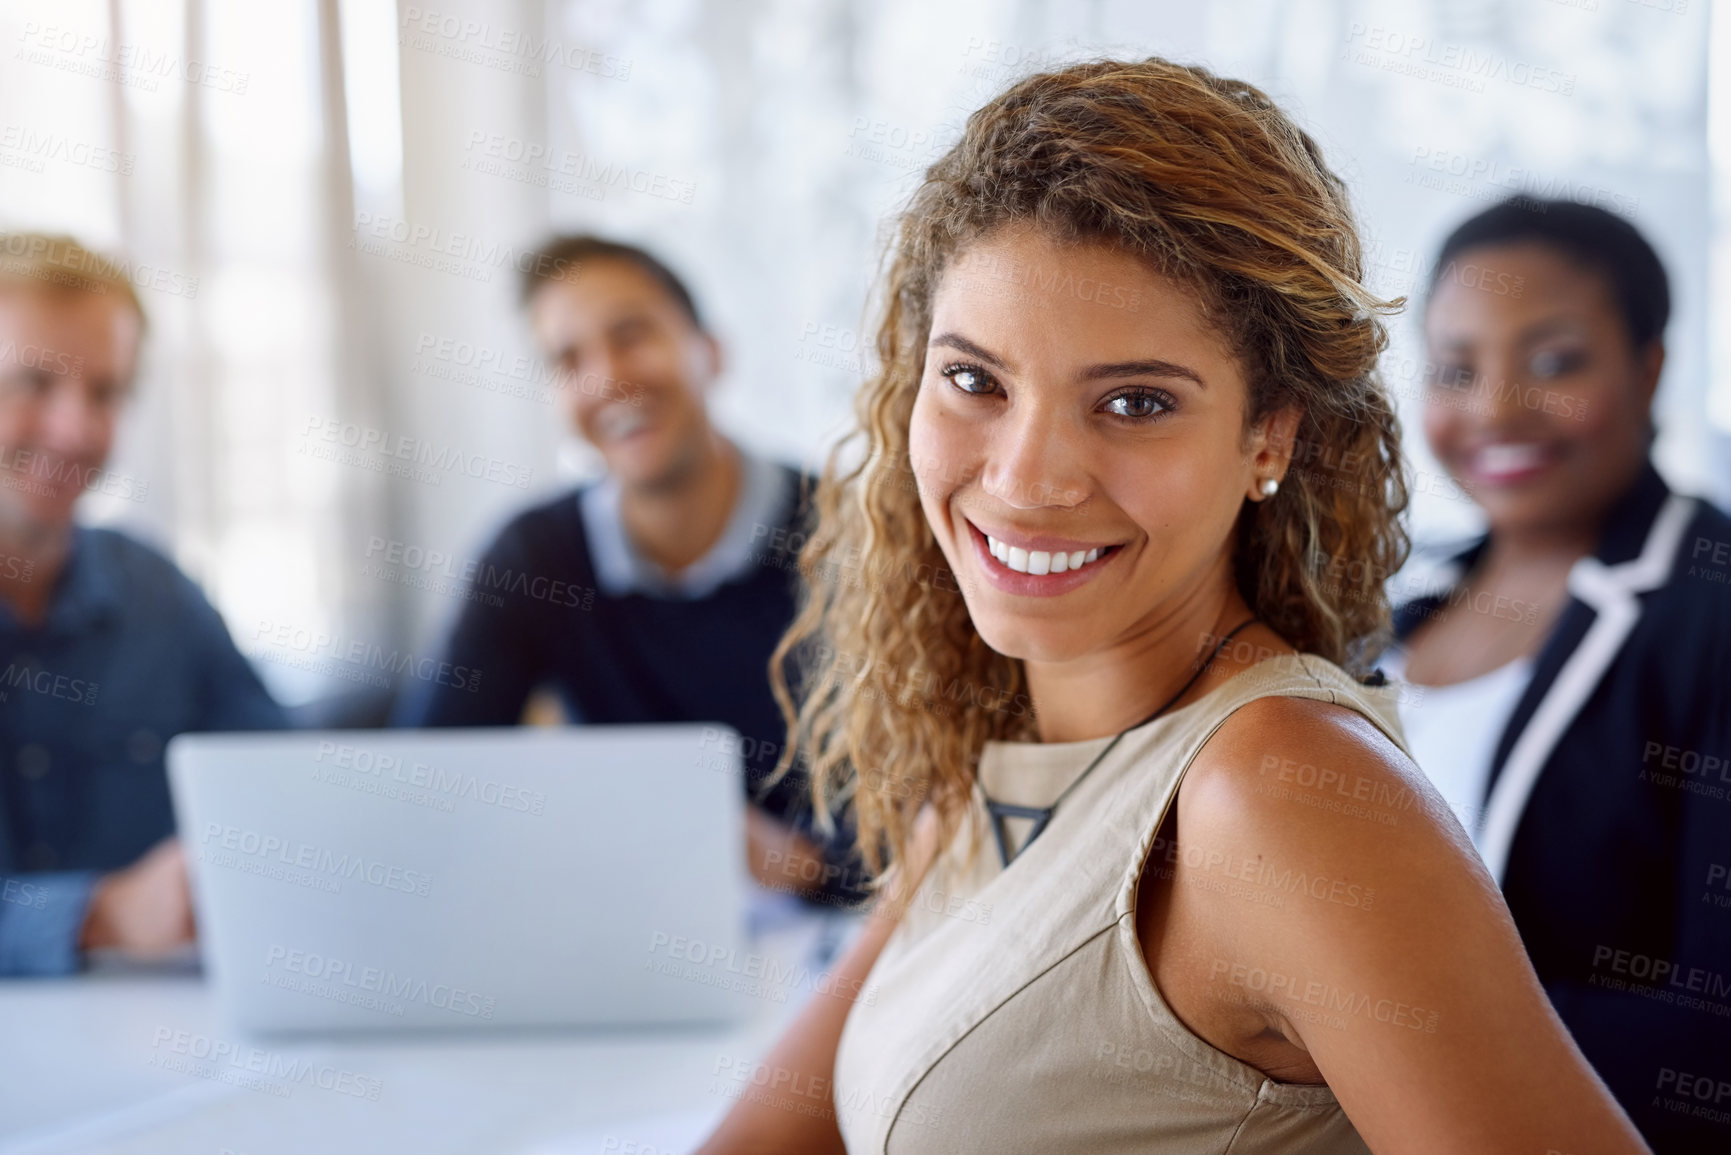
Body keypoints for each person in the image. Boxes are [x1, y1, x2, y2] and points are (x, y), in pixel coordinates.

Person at [697, 60, 1649, 1153]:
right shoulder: (995, 767)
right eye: (976, 381)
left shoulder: (1281, 799)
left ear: (1268, 438)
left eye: (1135, 402)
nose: (1027, 477)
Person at [1381, 197, 1731, 1151]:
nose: (1495, 408)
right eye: (1456, 368)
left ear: (1649, 366)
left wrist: (1362, 1029)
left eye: (1552, 361)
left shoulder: (1711, 610)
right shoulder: (1383, 609)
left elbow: (1715, 1050)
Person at [394, 235, 859, 902]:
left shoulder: (850, 534)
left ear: (711, 351)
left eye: (631, 334)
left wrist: (797, 864)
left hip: (834, 937)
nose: (607, 378)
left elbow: (938, 815)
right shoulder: (533, 557)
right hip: (628, 924)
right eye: (567, 359)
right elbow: (424, 784)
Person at [0, 234, 285, 977]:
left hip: (159, 1057)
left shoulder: (157, 594)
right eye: (32, 382)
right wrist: (102, 914)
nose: (76, 430)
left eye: (105, 392)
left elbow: (288, 788)